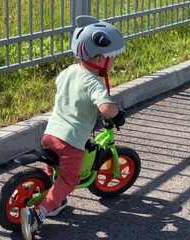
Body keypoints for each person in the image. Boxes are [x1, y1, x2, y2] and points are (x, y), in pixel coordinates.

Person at [20, 15, 126, 240]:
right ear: (100, 59)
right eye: (112, 57)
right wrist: (117, 114)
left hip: (50, 133)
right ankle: (38, 212)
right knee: (69, 180)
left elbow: (65, 90)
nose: (114, 61)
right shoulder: (93, 82)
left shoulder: (68, 71)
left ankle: (54, 199)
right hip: (71, 141)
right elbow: (106, 107)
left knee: (55, 169)